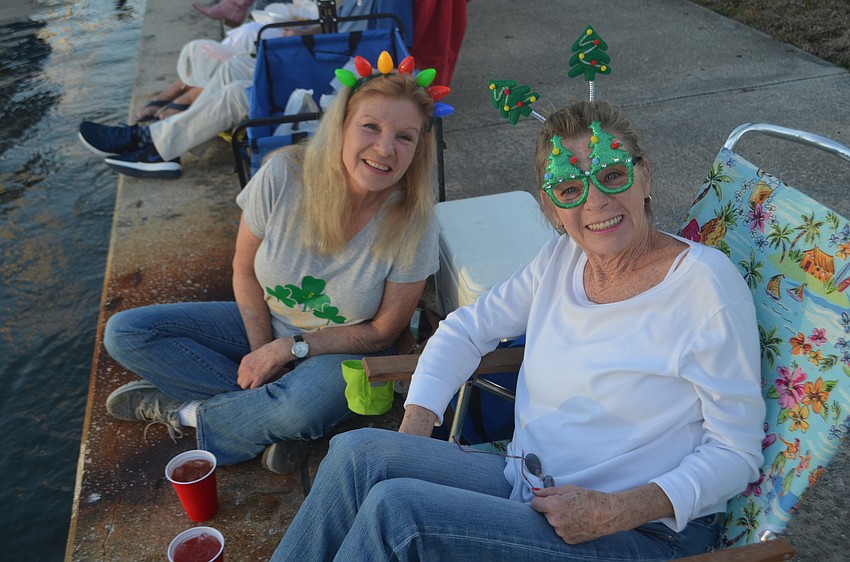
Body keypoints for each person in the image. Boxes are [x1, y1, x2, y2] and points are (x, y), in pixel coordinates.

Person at [271, 100, 766, 561]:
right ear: (551, 208)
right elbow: (466, 329)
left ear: (645, 177)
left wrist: (615, 510)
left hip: (635, 529)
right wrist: (415, 435)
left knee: (397, 512)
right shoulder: (562, 257)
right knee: (357, 455)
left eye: (613, 175)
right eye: (570, 189)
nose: (596, 202)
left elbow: (735, 452)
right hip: (528, 481)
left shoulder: (705, 289)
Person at [101, 61, 440, 473]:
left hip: (343, 349)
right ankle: (269, 421)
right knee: (126, 333)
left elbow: (381, 332)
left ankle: (187, 413)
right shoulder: (283, 174)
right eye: (370, 126)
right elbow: (243, 270)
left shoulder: (414, 220)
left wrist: (289, 348)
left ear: (418, 148)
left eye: (404, 137)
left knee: (304, 403)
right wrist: (263, 350)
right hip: (267, 321)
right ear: (341, 126)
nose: (385, 148)